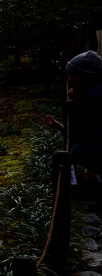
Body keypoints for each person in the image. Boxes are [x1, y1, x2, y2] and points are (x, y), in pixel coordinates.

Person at [45, 51, 102, 180]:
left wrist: (79, 105)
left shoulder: (92, 97)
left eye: (72, 74)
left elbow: (82, 135)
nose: (69, 78)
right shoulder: (94, 93)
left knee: (78, 151)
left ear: (83, 77)